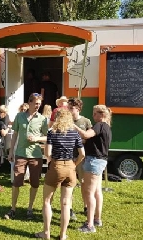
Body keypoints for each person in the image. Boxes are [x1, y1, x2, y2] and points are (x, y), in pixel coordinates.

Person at [35, 109, 85, 240]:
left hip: (56, 165)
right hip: (70, 167)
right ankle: (62, 235)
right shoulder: (75, 133)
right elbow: (82, 154)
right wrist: (74, 164)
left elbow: (47, 153)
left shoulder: (52, 133)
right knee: (66, 204)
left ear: (57, 118)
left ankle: (46, 233)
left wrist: (53, 161)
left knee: (47, 201)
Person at [4, 93, 48, 220]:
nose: (37, 106)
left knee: (34, 183)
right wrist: (11, 151)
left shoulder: (42, 119)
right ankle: (13, 209)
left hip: (35, 155)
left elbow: (47, 136)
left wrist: (37, 138)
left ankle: (30, 209)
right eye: (35, 104)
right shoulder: (19, 116)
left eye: (39, 104)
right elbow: (15, 134)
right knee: (16, 182)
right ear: (29, 103)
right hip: (21, 154)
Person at [74, 105, 112, 233]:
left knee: (89, 193)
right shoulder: (107, 127)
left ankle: (89, 225)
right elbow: (90, 139)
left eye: (95, 113)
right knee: (97, 191)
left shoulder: (99, 125)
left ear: (101, 115)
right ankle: (97, 219)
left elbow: (85, 134)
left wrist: (73, 125)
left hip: (94, 161)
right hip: (101, 161)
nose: (93, 116)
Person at [68, 98, 92, 220]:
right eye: (68, 107)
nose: (69, 109)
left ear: (78, 108)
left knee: (83, 182)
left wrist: (80, 139)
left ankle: (86, 206)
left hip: (82, 157)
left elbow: (88, 138)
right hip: (69, 157)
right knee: (69, 184)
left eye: (71, 108)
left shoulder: (86, 121)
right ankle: (70, 209)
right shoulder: (66, 121)